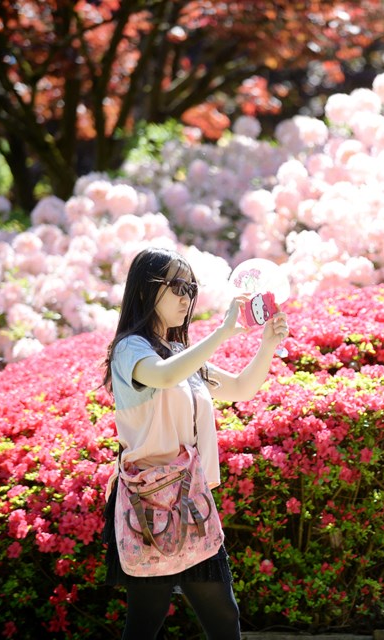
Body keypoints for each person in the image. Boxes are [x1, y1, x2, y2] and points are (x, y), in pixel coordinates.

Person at [101, 247, 289, 639]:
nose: (186, 297)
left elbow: (240, 388)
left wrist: (267, 344)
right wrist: (222, 333)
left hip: (190, 500)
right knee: (146, 621)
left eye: (191, 287)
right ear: (143, 291)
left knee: (223, 616)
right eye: (176, 286)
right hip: (147, 503)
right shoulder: (129, 350)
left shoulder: (180, 354)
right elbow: (165, 376)